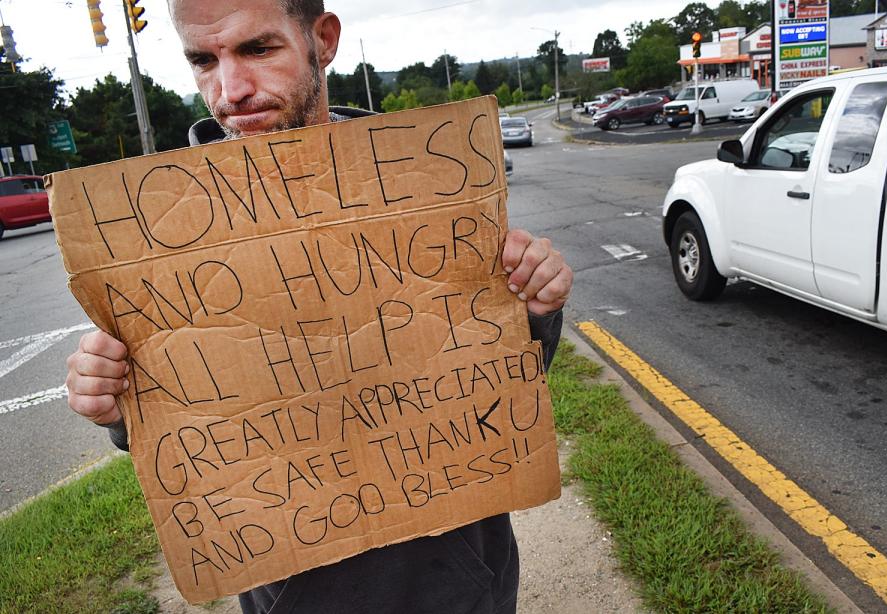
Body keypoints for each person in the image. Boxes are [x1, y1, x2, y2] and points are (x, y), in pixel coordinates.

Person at [65, 1, 573, 612]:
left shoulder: (427, 185)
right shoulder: (157, 233)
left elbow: (491, 382)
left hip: (455, 583)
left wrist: (536, 307)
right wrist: (111, 399)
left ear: (322, 40)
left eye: (257, 49)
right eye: (203, 59)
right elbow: (176, 428)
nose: (230, 90)